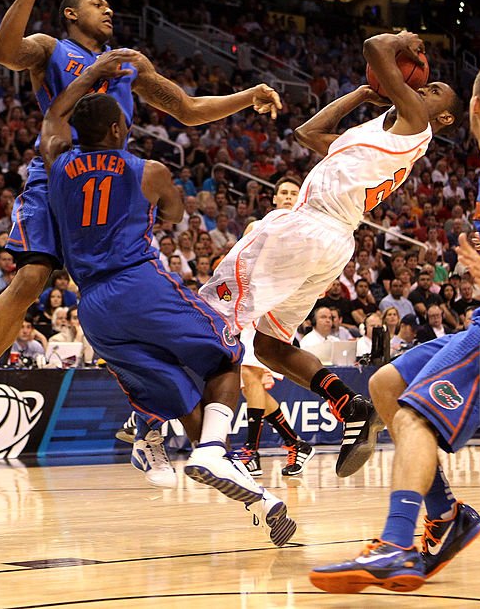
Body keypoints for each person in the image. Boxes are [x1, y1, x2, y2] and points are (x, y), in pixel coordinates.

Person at [0, 0, 282, 453]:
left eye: (109, 6)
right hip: (61, 171)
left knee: (121, 291)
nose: (108, 10)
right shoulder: (50, 48)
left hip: (111, 182)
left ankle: (153, 429)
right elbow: (2, 52)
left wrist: (248, 95)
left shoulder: (129, 63)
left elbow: (190, 111)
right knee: (34, 275)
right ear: (70, 14)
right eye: (97, 4)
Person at [311, 59, 480, 593]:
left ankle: (397, 546)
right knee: (387, 385)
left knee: (415, 416)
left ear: (475, 107)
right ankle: (447, 515)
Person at [32, 51, 294, 543]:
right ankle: (215, 452)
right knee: (227, 356)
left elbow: (52, 116)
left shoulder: (58, 159)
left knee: (180, 396)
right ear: (116, 131)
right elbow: (173, 215)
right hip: (138, 283)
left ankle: (254, 495)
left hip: (92, 306)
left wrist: (90, 75)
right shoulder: (146, 170)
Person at [201, 31, 462, 478]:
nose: (423, 88)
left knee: (210, 311)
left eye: (434, 90)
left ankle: (159, 418)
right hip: (332, 242)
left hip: (307, 227)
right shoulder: (376, 134)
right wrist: (361, 94)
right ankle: (349, 404)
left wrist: (402, 40)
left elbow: (373, 48)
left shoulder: (418, 121)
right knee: (268, 346)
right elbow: (308, 133)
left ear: (445, 118)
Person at [226, 177, 316, 478]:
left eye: (294, 193)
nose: (289, 196)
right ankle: (295, 444)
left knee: (251, 376)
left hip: (278, 310)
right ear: (275, 199)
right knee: (251, 381)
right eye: (284, 193)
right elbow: (239, 263)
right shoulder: (257, 227)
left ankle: (252, 452)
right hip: (252, 307)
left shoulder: (307, 232)